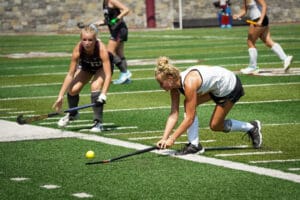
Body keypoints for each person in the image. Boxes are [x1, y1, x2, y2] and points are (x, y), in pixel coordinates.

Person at [155, 57, 262, 155]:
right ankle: (194, 145)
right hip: (214, 88)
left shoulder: (189, 83)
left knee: (215, 125)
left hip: (229, 86)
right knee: (188, 105)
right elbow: (174, 114)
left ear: (170, 77)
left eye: (161, 83)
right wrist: (164, 138)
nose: (160, 87)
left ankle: (252, 128)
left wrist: (172, 139)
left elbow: (189, 118)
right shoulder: (174, 88)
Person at [52, 25, 113, 132]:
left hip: (102, 68)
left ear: (95, 39)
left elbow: (108, 75)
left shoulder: (101, 49)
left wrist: (103, 94)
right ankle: (73, 114)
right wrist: (60, 96)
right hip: (87, 66)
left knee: (95, 85)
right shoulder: (78, 49)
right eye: (84, 39)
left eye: (90, 40)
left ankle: (98, 123)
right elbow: (70, 74)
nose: (87, 43)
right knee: (72, 89)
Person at [232, 0, 293, 74]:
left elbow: (264, 5)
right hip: (257, 20)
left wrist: (260, 20)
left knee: (250, 42)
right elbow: (244, 10)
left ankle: (252, 67)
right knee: (267, 41)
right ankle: (285, 58)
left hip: (259, 19)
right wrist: (238, 15)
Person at [95, 0, 131, 84]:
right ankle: (125, 78)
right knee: (120, 54)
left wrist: (116, 19)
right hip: (115, 30)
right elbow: (108, 20)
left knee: (109, 52)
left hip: (119, 29)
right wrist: (96, 23)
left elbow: (126, 10)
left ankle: (125, 72)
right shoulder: (104, 3)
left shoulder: (112, 1)